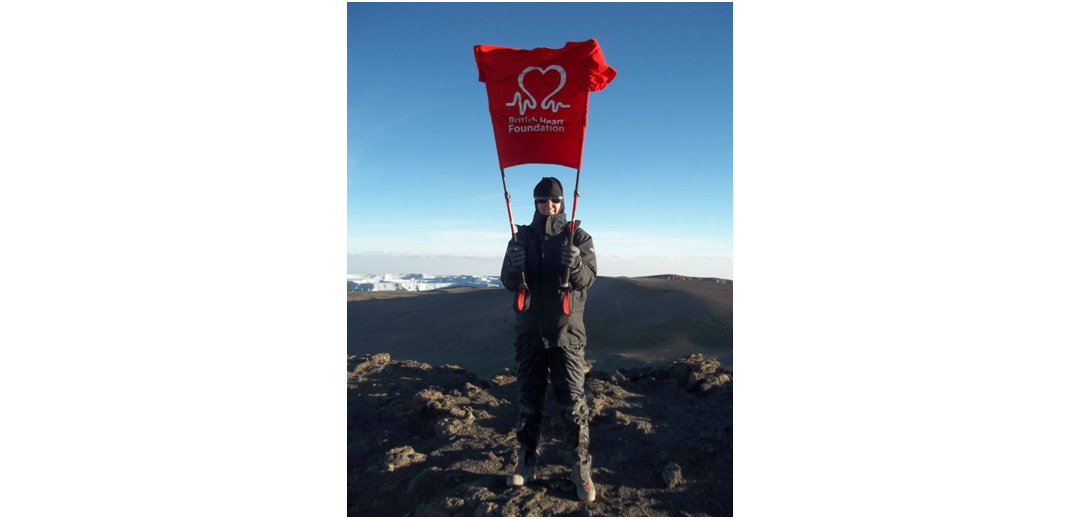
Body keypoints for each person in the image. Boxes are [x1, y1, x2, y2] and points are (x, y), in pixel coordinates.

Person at [500, 177, 597, 502]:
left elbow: (588, 279)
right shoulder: (521, 238)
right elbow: (508, 282)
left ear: (561, 202)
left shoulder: (578, 237)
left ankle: (580, 469)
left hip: (566, 335)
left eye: (553, 200)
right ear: (535, 203)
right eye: (542, 200)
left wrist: (578, 264)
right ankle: (526, 461)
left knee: (573, 405)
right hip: (529, 333)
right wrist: (514, 269)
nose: (548, 205)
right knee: (529, 402)